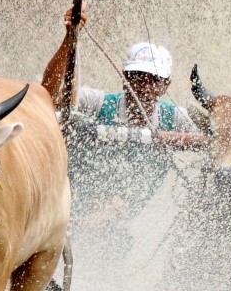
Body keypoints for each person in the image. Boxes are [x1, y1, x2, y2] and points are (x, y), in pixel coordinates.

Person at [44, 17, 205, 240]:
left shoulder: (174, 117)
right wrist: (70, 37)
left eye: (155, 80)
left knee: (119, 235)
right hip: (76, 202)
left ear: (166, 85)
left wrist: (170, 138)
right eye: (138, 78)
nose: (145, 88)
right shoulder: (98, 103)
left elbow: (216, 141)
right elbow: (47, 97)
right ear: (125, 78)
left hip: (130, 223)